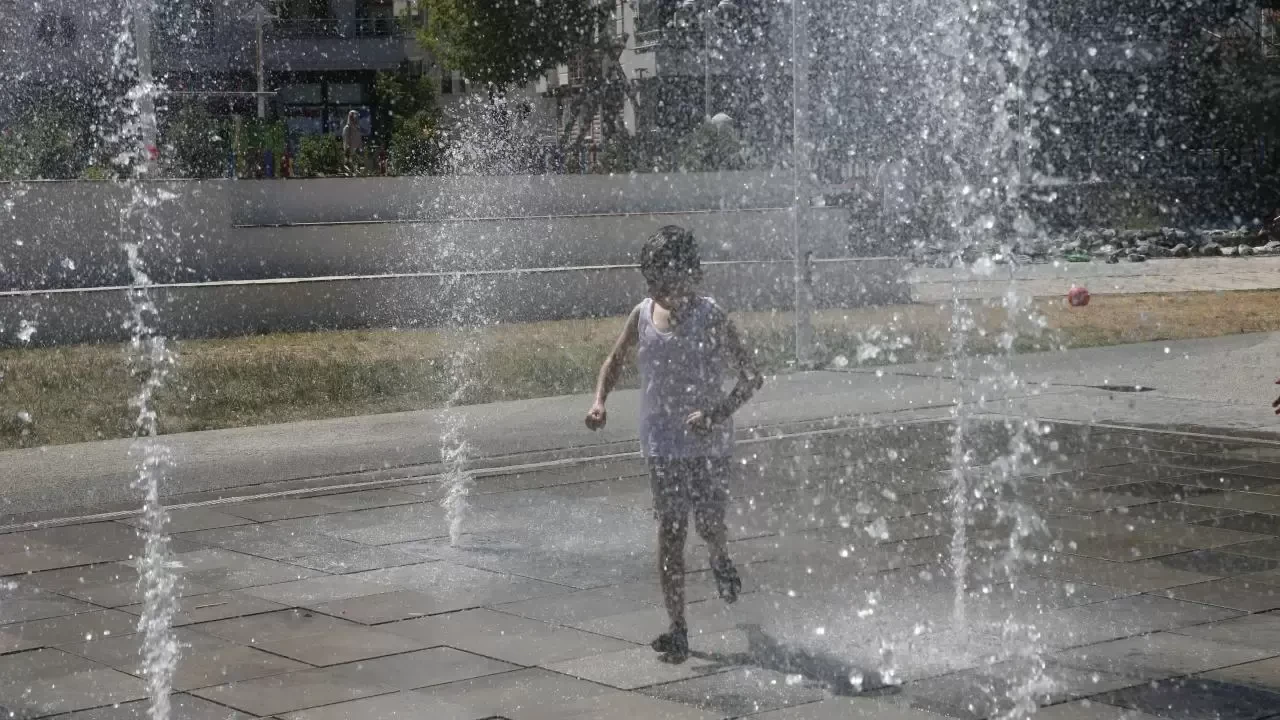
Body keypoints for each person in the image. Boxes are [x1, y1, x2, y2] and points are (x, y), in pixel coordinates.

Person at [585, 225, 764, 663]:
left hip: (709, 444)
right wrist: (599, 401)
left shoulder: (713, 317)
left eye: (662, 280)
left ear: (688, 275)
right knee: (671, 533)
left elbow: (751, 376)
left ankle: (720, 559)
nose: (655, 289)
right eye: (650, 280)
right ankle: (678, 628)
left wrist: (714, 414)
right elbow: (615, 359)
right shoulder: (641, 315)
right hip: (662, 443)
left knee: (707, 525)